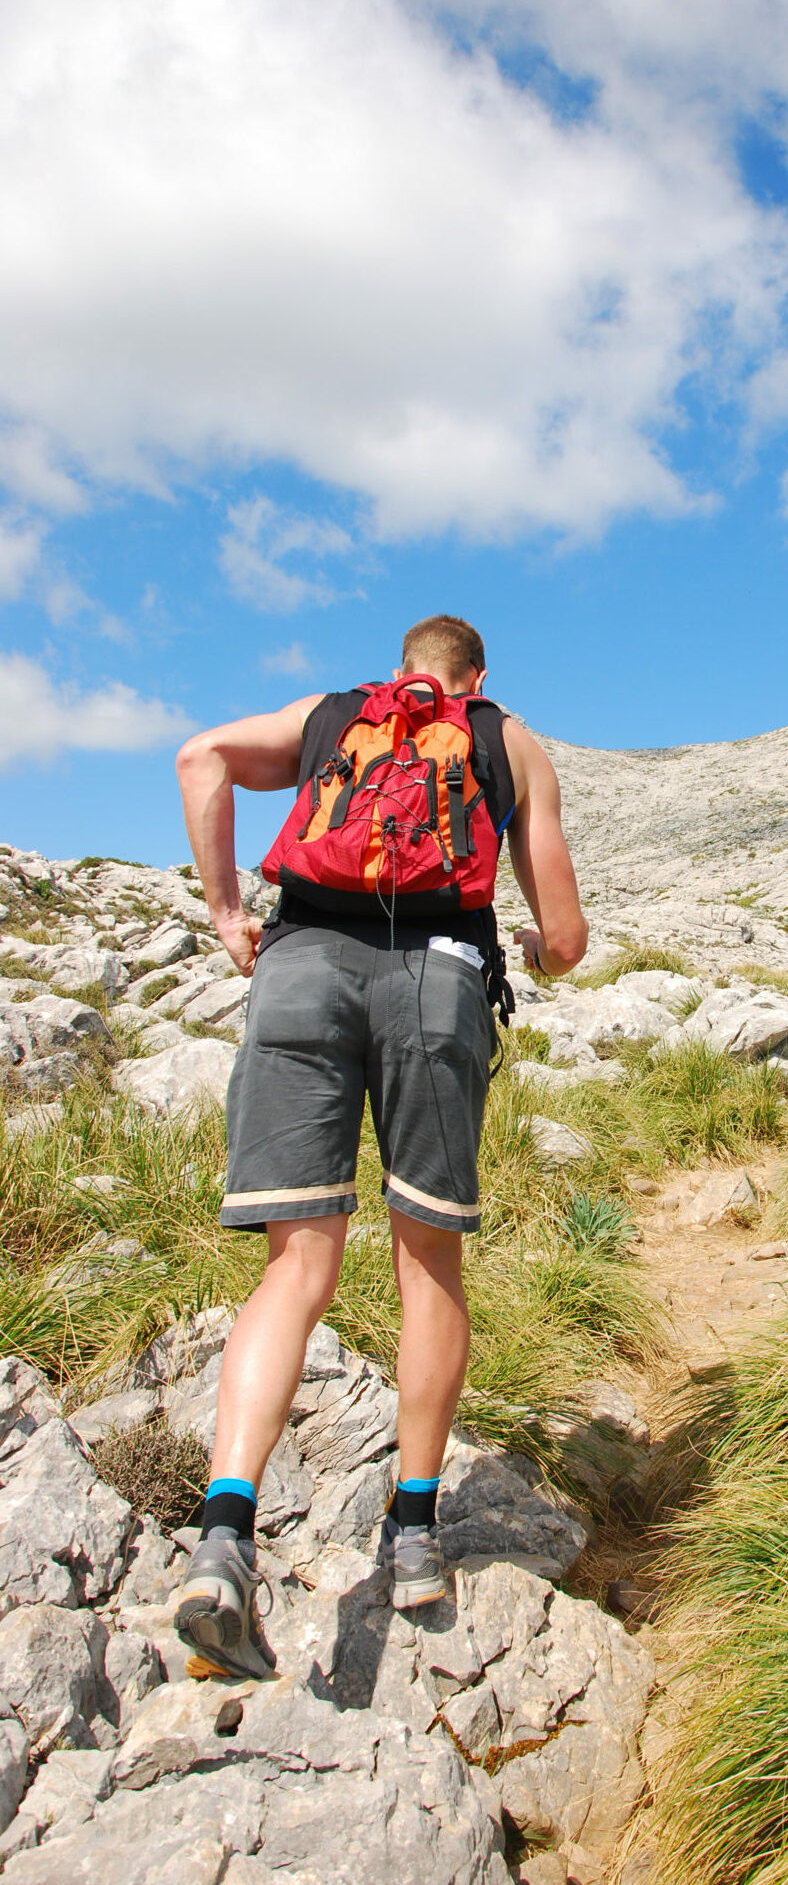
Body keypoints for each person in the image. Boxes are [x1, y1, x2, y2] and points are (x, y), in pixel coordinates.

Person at [171, 614, 587, 1678]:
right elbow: (568, 941)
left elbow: (200, 756)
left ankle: (225, 1534)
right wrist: (537, 949)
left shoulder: (328, 718)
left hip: (300, 963)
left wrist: (227, 913)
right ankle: (412, 1533)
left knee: (294, 1268)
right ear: (476, 677)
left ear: (402, 670)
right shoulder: (510, 739)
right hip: (439, 983)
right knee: (426, 1263)